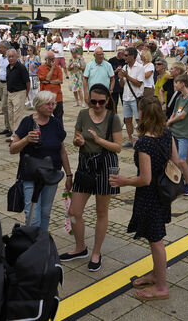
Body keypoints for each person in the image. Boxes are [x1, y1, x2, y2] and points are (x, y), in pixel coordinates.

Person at [109, 97, 176, 301]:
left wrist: (124, 181)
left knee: (156, 240)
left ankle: (162, 287)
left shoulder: (145, 143)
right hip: (163, 193)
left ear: (143, 114)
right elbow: (176, 161)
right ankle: (156, 274)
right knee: (154, 236)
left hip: (150, 196)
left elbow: (144, 179)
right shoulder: (167, 134)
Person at [62, 84, 123, 271]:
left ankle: (96, 252)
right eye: (93, 101)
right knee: (74, 211)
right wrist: (77, 141)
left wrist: (99, 140)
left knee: (101, 212)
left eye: (101, 102)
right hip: (86, 164)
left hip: (106, 166)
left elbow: (118, 147)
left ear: (107, 100)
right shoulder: (82, 115)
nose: (96, 105)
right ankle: (80, 247)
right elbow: (76, 138)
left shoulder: (113, 118)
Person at [10, 90, 72, 230]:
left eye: (53, 104)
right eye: (48, 104)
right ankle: (32, 244)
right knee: (32, 216)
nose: (52, 107)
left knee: (45, 213)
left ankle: (41, 243)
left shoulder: (56, 123)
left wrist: (68, 175)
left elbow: (62, 151)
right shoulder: (27, 122)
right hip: (31, 176)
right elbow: (12, 149)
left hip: (51, 175)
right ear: (38, 106)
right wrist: (26, 139)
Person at [166, 74, 188, 194]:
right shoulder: (179, 98)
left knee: (182, 161)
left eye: (176, 83)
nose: (175, 85)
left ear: (183, 84)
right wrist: (169, 122)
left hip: (183, 133)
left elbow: (183, 115)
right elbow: (174, 112)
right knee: (175, 159)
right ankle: (177, 181)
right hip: (174, 131)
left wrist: (170, 121)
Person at [117, 47, 145, 148]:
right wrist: (120, 78)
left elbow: (139, 83)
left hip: (136, 97)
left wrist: (127, 76)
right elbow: (121, 85)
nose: (124, 57)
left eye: (126, 55)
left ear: (133, 56)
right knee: (127, 120)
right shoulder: (125, 68)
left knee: (139, 120)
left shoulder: (140, 67)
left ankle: (142, 140)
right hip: (126, 97)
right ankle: (131, 140)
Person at [5, 49, 30, 142]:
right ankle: (13, 134)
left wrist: (26, 93)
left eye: (12, 56)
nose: (11, 58)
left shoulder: (21, 67)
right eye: (9, 57)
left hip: (19, 93)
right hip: (10, 93)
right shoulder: (8, 67)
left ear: (17, 57)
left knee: (17, 116)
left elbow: (27, 82)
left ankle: (16, 137)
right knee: (10, 115)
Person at [37, 51, 64, 123]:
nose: (52, 61)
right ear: (46, 59)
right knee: (45, 118)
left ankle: (59, 133)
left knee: (59, 118)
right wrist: (52, 68)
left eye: (53, 59)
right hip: (45, 98)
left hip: (57, 97)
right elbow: (47, 78)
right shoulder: (41, 68)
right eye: (50, 59)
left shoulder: (58, 68)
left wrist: (49, 82)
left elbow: (60, 81)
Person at [0, 41, 12, 137]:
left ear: (5, 48)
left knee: (5, 106)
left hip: (7, 83)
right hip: (0, 83)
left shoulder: (10, 57)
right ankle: (7, 127)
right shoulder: (1, 57)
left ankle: (11, 128)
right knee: (4, 107)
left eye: (0, 47)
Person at [108, 47, 127, 113]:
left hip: (123, 85)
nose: (124, 55)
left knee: (125, 105)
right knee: (114, 104)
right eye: (123, 54)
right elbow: (108, 73)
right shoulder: (111, 60)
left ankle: (125, 121)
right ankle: (114, 119)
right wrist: (115, 71)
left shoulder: (125, 61)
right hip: (114, 85)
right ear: (119, 53)